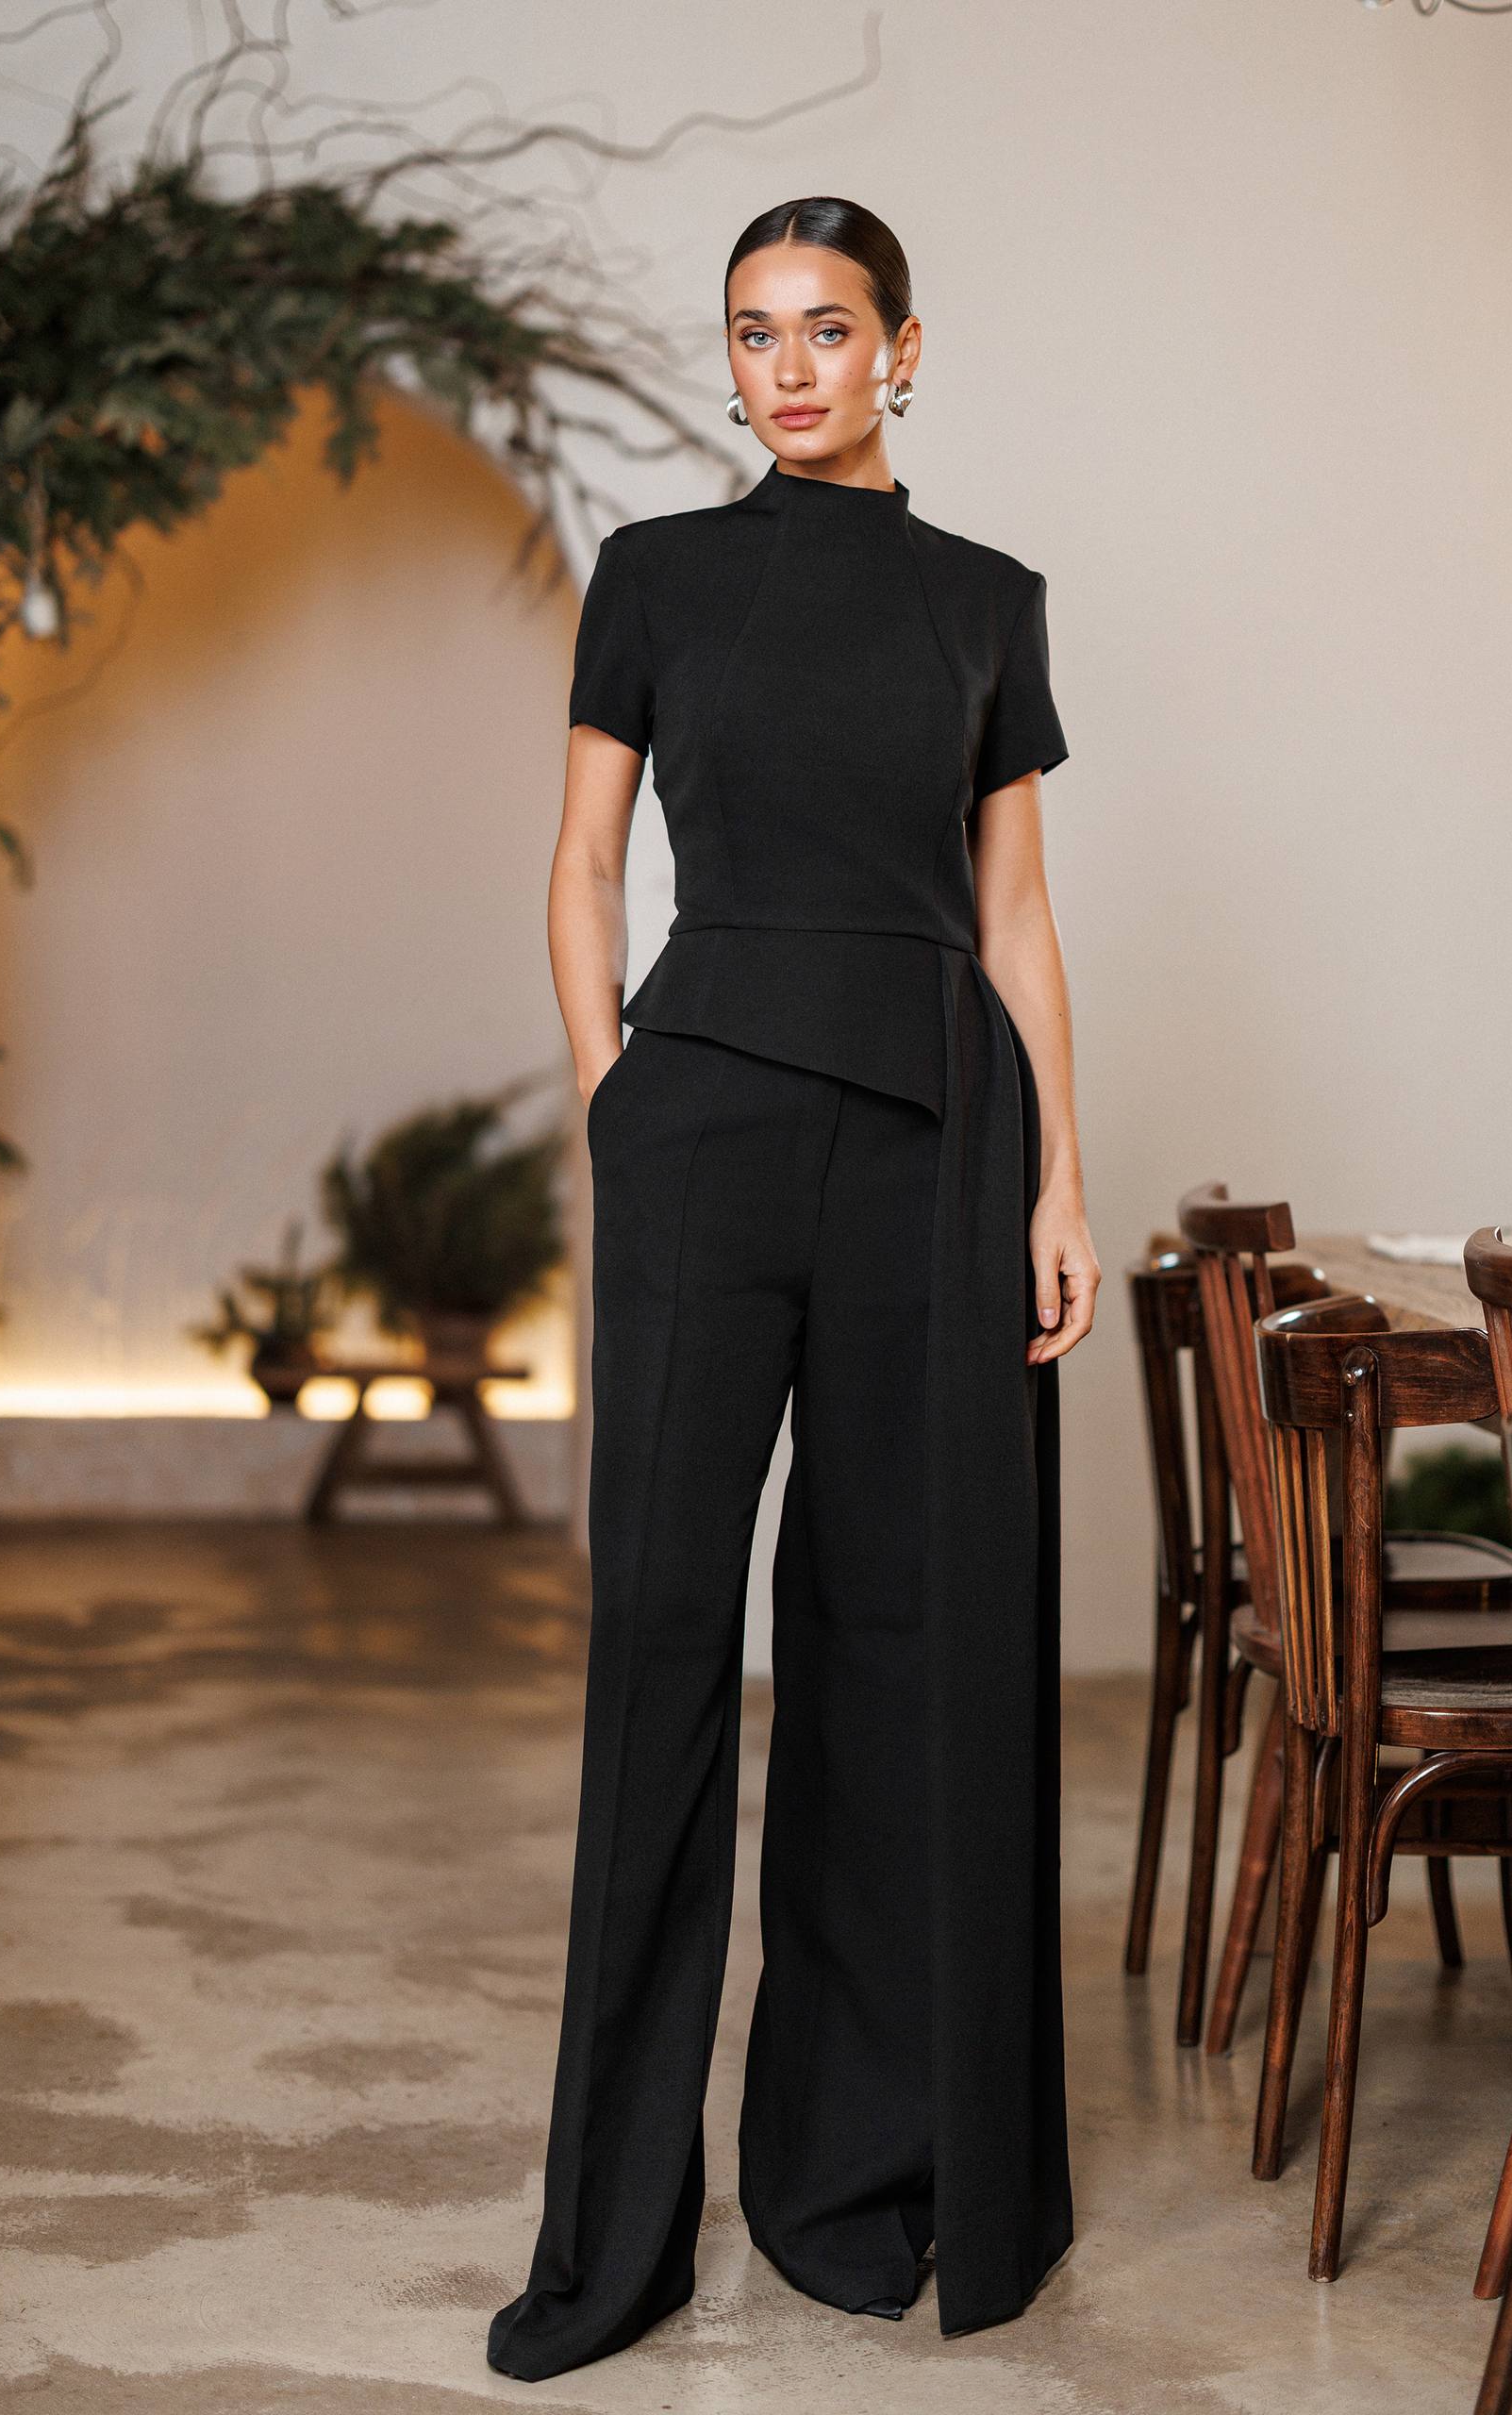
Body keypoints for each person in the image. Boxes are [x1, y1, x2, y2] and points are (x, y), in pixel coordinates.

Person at [487, 194, 1099, 2384]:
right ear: (732, 362)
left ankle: (860, 2187)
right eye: (757, 334)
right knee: (660, 1638)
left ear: (904, 349)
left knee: (896, 1645)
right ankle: (614, 2236)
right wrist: (612, 1104)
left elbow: (1012, 917)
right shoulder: (653, 577)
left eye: (831, 329)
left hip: (941, 1137)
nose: (793, 365)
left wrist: (1065, 1174)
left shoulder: (984, 604)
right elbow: (580, 863)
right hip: (706, 1126)